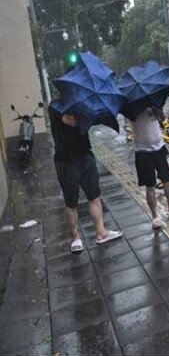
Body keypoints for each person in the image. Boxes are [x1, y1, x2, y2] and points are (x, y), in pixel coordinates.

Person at [49, 100, 123, 253]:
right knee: (71, 203)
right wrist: (87, 113)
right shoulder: (56, 106)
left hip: (85, 156)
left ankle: (101, 232)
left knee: (94, 196)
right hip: (66, 161)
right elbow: (72, 121)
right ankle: (75, 238)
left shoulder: (83, 105)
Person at [131, 107, 169, 228]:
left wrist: (158, 110)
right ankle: (155, 216)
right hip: (142, 152)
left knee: (167, 179)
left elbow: (163, 119)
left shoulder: (153, 101)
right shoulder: (131, 106)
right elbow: (132, 118)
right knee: (150, 185)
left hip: (160, 148)